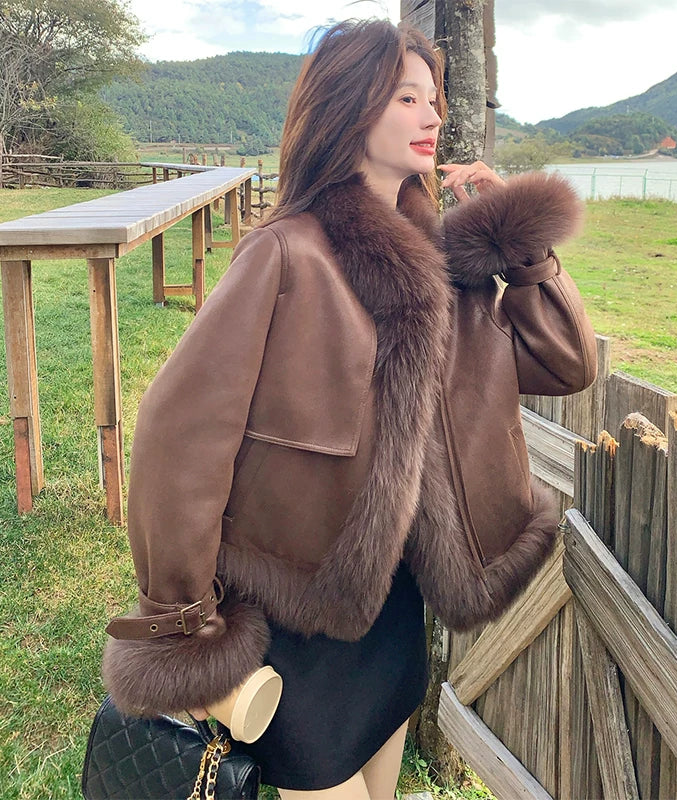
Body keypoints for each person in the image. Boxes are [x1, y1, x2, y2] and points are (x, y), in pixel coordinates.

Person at [102, 18, 597, 800]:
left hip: (392, 607)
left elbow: (566, 365)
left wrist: (521, 243)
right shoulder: (285, 252)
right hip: (297, 616)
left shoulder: (446, 264)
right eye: (407, 98)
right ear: (349, 106)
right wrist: (182, 622)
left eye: (433, 100)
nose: (432, 116)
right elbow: (179, 437)